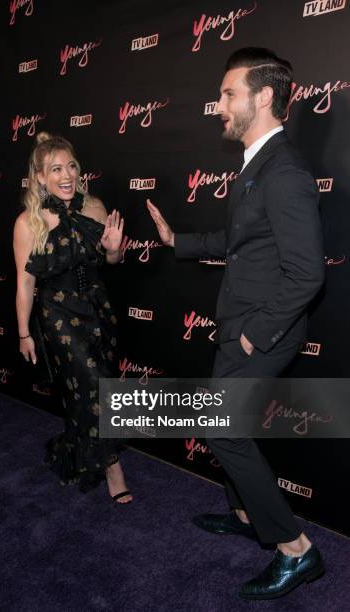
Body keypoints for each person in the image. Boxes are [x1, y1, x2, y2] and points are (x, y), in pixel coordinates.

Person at [147, 48, 325, 599]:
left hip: (262, 331)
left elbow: (307, 274)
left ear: (264, 96)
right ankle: (247, 516)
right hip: (238, 324)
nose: (218, 105)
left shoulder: (286, 172)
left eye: (228, 94)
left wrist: (255, 333)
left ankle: (297, 550)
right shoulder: (257, 164)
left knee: (224, 428)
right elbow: (241, 243)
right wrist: (181, 242)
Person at [13, 132, 132, 504]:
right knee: (93, 383)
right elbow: (25, 282)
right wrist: (23, 334)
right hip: (58, 314)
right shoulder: (28, 222)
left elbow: (111, 262)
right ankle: (113, 468)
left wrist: (114, 252)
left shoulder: (95, 207)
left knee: (96, 388)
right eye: (56, 169)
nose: (66, 175)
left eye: (71, 166)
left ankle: (74, 446)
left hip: (98, 308)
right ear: (41, 177)